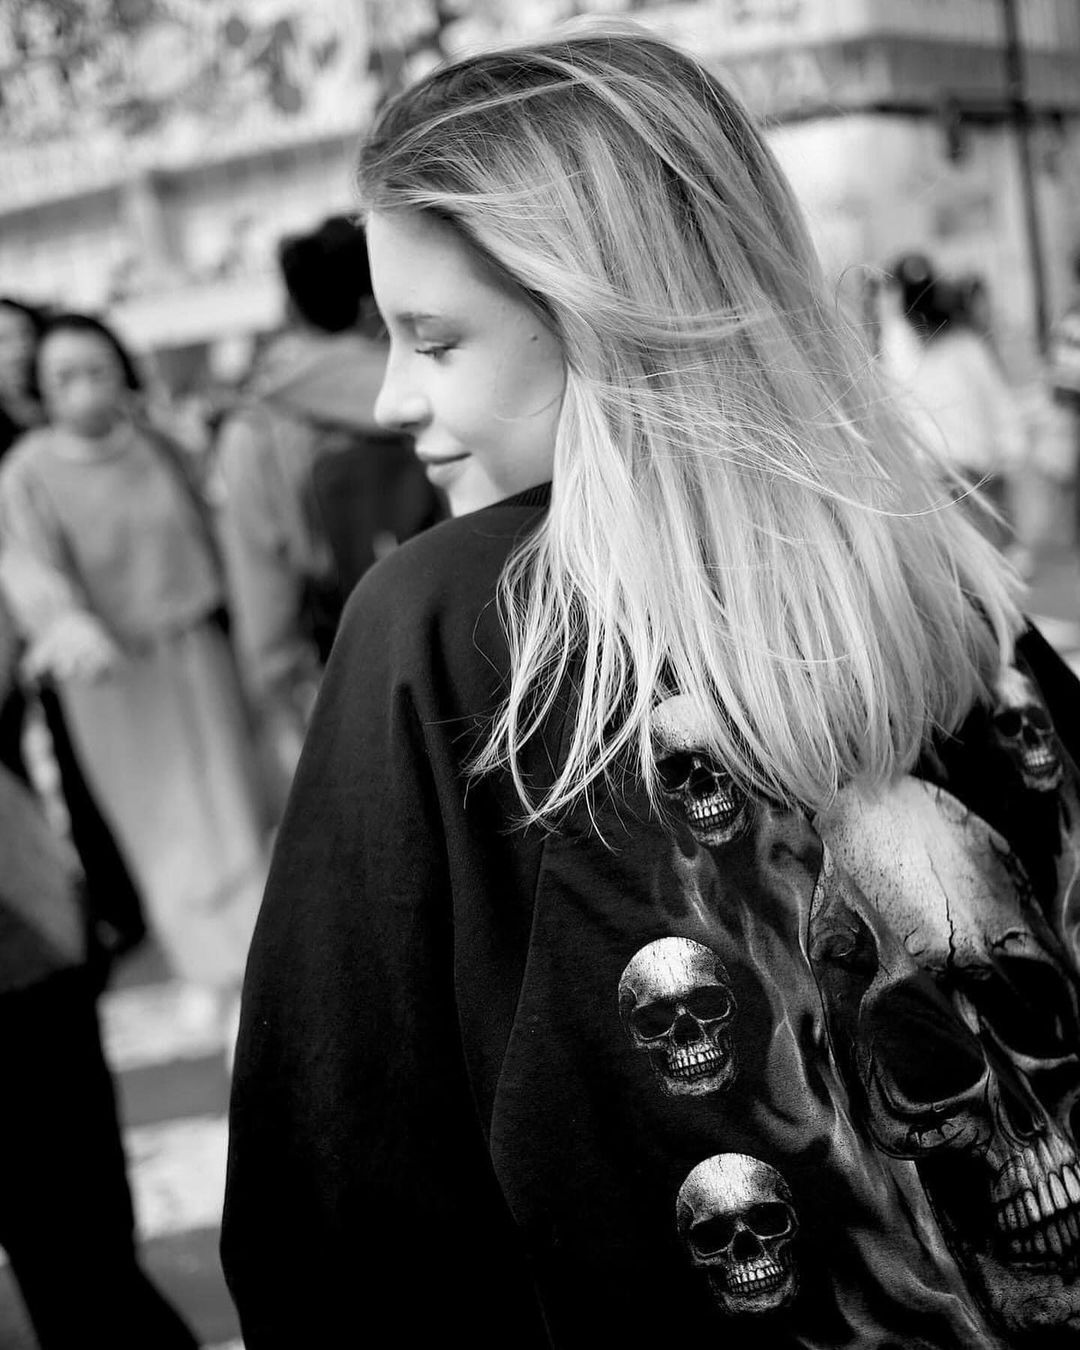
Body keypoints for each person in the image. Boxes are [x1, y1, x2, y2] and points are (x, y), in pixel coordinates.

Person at [223, 25, 1080, 1348]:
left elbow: (332, 1189)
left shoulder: (453, 618)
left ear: (604, 316)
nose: (391, 397)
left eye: (435, 342)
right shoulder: (948, 581)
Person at [0, 311, 268, 1047]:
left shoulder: (159, 444)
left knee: (230, 806)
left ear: (121, 369)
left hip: (197, 649)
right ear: (40, 387)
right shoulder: (27, 472)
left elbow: (218, 528)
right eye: (63, 376)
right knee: (159, 825)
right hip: (111, 680)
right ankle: (204, 967)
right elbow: (26, 568)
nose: (83, 387)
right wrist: (63, 623)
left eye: (97, 369)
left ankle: (255, 961)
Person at [0, 597, 198, 1350]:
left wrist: (46, 607)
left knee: (82, 1260)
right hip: (31, 942)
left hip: (29, 945)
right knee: (79, 1259)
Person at [216, 215, 443, 797]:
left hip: (350, 659)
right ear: (375, 297)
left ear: (293, 306)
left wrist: (279, 682)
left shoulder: (257, 426)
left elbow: (263, 583)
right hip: (474, 626)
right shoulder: (443, 381)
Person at [0, 296, 146, 976]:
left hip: (115, 636)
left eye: (18, 336)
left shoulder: (100, 426)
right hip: (37, 643)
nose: (10, 351)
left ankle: (120, 903)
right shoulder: (22, 459)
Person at [878, 252, 1027, 550]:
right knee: (976, 559)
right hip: (944, 473)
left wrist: (1010, 449)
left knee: (977, 559)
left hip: (960, 473)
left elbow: (997, 403)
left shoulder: (955, 347)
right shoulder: (905, 346)